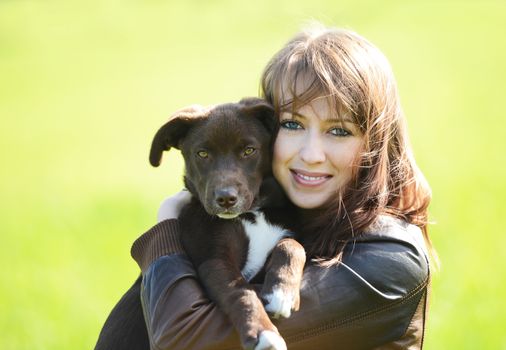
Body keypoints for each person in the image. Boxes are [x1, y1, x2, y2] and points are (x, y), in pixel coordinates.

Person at [131, 23, 436, 349]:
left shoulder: (390, 258)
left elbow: (188, 340)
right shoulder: (287, 216)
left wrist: (165, 234)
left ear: (375, 141)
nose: (310, 154)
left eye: (339, 131)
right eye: (292, 124)